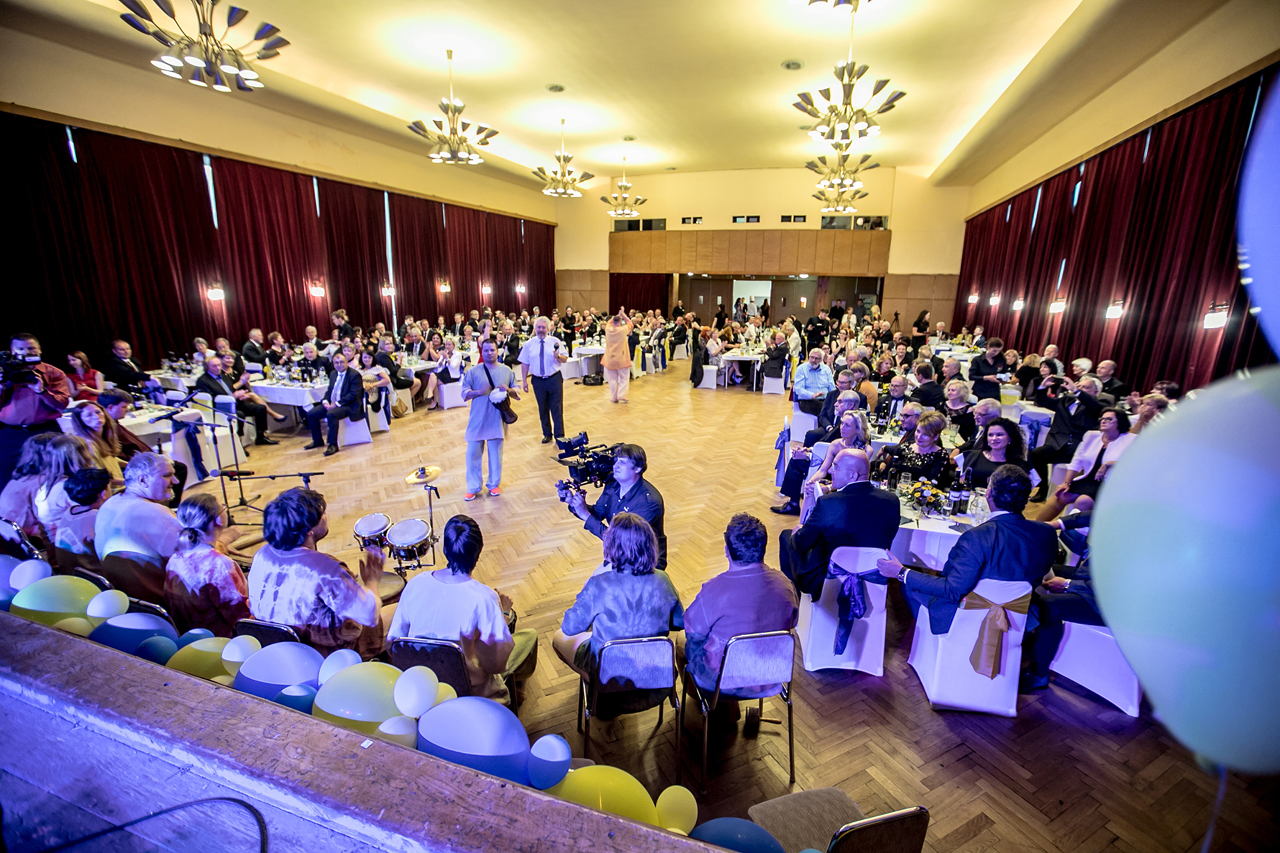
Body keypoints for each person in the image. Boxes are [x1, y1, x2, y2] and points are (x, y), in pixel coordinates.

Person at [876, 465, 1058, 633]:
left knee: (909, 587)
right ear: (1026, 498)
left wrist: (901, 572)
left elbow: (952, 590)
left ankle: (929, 640)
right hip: (1019, 618)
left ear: (989, 493)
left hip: (966, 620)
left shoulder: (976, 537)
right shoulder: (1047, 533)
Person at [388, 515, 537, 706]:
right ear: (478, 552)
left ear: (445, 550)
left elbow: (392, 645)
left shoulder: (416, 584)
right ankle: (516, 694)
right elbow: (496, 665)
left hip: (420, 689)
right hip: (468, 693)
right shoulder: (485, 598)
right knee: (529, 637)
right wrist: (505, 615)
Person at [248, 488, 383, 658]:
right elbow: (369, 615)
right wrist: (372, 580)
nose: (326, 516)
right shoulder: (325, 571)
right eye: (322, 514)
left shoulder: (262, 554)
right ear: (309, 530)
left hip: (275, 646)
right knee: (395, 615)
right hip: (318, 655)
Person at [552, 513, 683, 681]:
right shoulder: (662, 579)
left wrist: (584, 597)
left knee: (558, 638)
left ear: (611, 545)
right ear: (650, 544)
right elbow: (679, 623)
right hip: (655, 676)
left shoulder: (598, 584)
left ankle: (596, 688)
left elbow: (569, 627)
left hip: (610, 677)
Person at [684, 513, 798, 696]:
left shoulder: (714, 590)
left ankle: (711, 705)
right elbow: (792, 621)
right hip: (770, 675)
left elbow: (693, 631)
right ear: (763, 548)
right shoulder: (785, 584)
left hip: (723, 681)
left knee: (681, 642)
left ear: (726, 551)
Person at [779, 449, 900, 597]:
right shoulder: (892, 501)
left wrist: (797, 532)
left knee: (787, 537)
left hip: (829, 581)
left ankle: (793, 599)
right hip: (874, 578)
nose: (830, 470)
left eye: (835, 467)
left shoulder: (828, 503)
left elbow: (801, 544)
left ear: (852, 475)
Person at [1022, 510, 1100, 692]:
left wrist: (1067, 584)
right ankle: (1030, 638)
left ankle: (1039, 674)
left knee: (1050, 605)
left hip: (1111, 605)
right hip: (1093, 578)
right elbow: (1093, 515)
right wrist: (1054, 524)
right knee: (1041, 568)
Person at [94, 452, 182, 602]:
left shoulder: (110, 503)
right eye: (167, 475)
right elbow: (193, 559)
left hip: (123, 598)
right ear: (143, 480)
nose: (175, 481)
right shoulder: (154, 512)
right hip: (159, 599)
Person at [566, 443, 668, 571]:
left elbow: (620, 540)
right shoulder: (612, 486)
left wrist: (585, 515)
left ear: (637, 468)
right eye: (616, 461)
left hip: (644, 563)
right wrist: (574, 503)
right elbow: (597, 513)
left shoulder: (648, 503)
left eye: (622, 462)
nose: (616, 466)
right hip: (620, 554)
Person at [162, 493, 251, 637]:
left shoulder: (175, 558)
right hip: (220, 639)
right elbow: (240, 616)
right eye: (223, 508)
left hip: (189, 635)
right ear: (218, 520)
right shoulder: (219, 564)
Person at [1037, 407, 1134, 521]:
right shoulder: (1091, 436)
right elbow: (1076, 461)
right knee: (1060, 494)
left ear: (1120, 422)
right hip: (1088, 480)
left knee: (1083, 501)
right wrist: (1066, 483)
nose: (1103, 421)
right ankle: (1036, 527)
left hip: (1109, 486)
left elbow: (1135, 462)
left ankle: (1071, 532)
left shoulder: (1131, 440)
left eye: (1108, 419)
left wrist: (1108, 464)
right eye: (1102, 419)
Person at [0, 333, 71, 489]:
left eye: (31, 348)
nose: (26, 352)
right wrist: (1, 386)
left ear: (39, 349)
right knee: (6, 477)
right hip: (11, 433)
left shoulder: (53, 373)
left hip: (46, 431)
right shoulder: (3, 372)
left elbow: (62, 404)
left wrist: (42, 391)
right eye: (20, 349)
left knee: (58, 474)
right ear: (12, 351)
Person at [461, 339, 519, 501]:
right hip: (477, 418)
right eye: (486, 350)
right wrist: (479, 391)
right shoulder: (473, 372)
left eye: (492, 350)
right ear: (482, 352)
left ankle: (494, 484)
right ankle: (473, 487)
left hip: (496, 419)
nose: (489, 353)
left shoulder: (506, 371)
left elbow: (517, 391)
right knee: (472, 454)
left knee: (495, 454)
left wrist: (509, 390)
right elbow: (464, 393)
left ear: (497, 351)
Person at [1029, 376, 1103, 502]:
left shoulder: (1097, 406)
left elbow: (1096, 408)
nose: (1080, 389)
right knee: (1036, 454)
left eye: (1085, 387)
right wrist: (1043, 386)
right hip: (1057, 444)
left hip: (1077, 447)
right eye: (1079, 386)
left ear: (1095, 392)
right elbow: (1042, 401)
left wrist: (1077, 391)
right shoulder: (1066, 400)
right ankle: (1043, 488)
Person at [195, 355, 278, 447]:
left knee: (260, 408)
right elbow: (210, 400)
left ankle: (261, 437)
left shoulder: (224, 376)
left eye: (219, 365)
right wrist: (232, 396)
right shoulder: (203, 381)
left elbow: (231, 390)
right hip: (221, 408)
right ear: (207, 367)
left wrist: (240, 395)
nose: (218, 368)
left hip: (235, 403)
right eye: (214, 366)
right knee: (239, 415)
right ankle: (239, 444)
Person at [519, 316, 569, 445]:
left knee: (556, 407)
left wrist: (558, 356)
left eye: (543, 327)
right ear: (535, 328)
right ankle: (547, 434)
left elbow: (565, 359)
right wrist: (524, 381)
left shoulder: (555, 341)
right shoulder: (529, 344)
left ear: (548, 328)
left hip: (554, 378)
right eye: (539, 327)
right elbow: (524, 363)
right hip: (537, 380)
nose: (541, 330)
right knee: (542, 408)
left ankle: (559, 436)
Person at [304, 352, 364, 457]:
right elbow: (330, 390)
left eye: (341, 362)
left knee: (331, 414)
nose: (339, 365)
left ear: (346, 362)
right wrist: (325, 401)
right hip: (333, 403)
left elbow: (354, 394)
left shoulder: (354, 375)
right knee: (311, 414)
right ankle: (317, 440)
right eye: (336, 363)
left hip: (349, 405)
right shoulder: (333, 374)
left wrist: (336, 404)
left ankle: (333, 444)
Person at [0, 432, 56, 538]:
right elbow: (49, 523)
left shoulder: (19, 479)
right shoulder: (42, 483)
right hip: (28, 539)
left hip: (9, 539)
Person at [51, 466, 111, 558]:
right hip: (90, 566)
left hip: (67, 565)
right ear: (103, 494)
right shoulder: (98, 517)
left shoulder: (69, 511)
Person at [961, 417, 1030, 488]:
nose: (994, 438)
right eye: (990, 435)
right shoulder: (971, 456)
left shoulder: (1020, 466)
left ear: (1010, 437)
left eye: (999, 434)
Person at [66, 401, 125, 484]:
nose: (96, 417)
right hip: (109, 490)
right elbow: (99, 478)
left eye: (98, 412)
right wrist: (129, 482)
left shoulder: (103, 436)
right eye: (89, 415)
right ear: (81, 420)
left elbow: (110, 459)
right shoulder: (88, 445)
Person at [601, 307, 634, 404]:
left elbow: (608, 322)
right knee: (624, 377)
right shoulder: (622, 330)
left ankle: (613, 397)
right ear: (620, 322)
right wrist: (623, 314)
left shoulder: (608, 329)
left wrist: (618, 315)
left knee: (612, 379)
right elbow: (630, 324)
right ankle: (622, 395)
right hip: (621, 358)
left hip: (610, 359)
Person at [793, 349, 836, 415]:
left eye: (816, 358)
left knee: (837, 407)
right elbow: (798, 389)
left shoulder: (826, 369)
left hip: (824, 400)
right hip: (807, 401)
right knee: (825, 409)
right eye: (812, 357)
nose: (813, 360)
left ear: (821, 360)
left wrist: (833, 398)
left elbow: (832, 387)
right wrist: (812, 395)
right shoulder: (801, 369)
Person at [357, 350, 391, 416]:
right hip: (360, 392)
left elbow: (387, 380)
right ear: (361, 358)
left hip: (372, 393)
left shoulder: (377, 368)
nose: (367, 359)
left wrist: (372, 385)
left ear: (373, 358)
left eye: (369, 357)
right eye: (365, 357)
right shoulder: (358, 369)